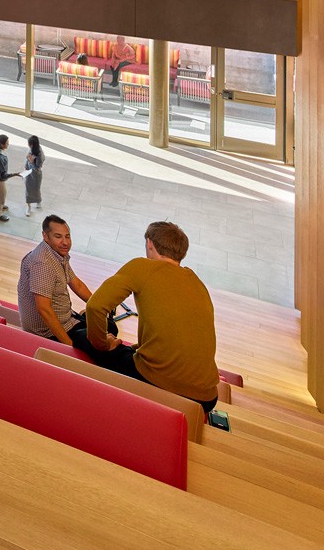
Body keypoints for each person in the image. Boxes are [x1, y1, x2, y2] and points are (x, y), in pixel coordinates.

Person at [85, 222, 221, 412]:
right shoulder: (196, 282)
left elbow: (95, 306)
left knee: (82, 336)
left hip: (158, 381)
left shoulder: (142, 266)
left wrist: (103, 344)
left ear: (149, 243)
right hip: (207, 398)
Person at [16, 216, 115, 361]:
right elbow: (44, 309)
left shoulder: (56, 253)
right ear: (45, 236)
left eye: (67, 236)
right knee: (105, 344)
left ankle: (82, 318)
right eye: (58, 237)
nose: (65, 242)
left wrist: (98, 307)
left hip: (66, 318)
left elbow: (77, 285)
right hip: (47, 332)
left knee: (109, 327)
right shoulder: (43, 264)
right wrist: (69, 346)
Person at [23, 134, 45, 216]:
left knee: (36, 189)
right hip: (28, 172)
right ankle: (28, 207)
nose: (28, 145)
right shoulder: (31, 149)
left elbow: (37, 168)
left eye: (28, 143)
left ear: (32, 144)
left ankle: (38, 201)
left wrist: (32, 162)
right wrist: (26, 166)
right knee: (28, 190)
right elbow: (27, 159)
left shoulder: (39, 154)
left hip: (36, 175)